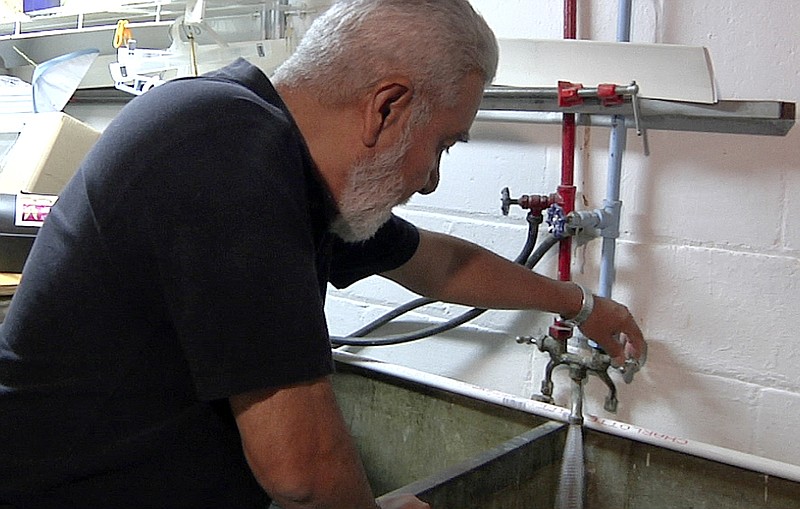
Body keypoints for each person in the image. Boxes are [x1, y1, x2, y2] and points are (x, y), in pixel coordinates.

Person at [0, 0, 646, 507]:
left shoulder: (280, 160)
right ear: (387, 108)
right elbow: (300, 470)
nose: (430, 180)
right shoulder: (226, 149)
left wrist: (583, 303)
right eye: (445, 144)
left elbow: (438, 264)